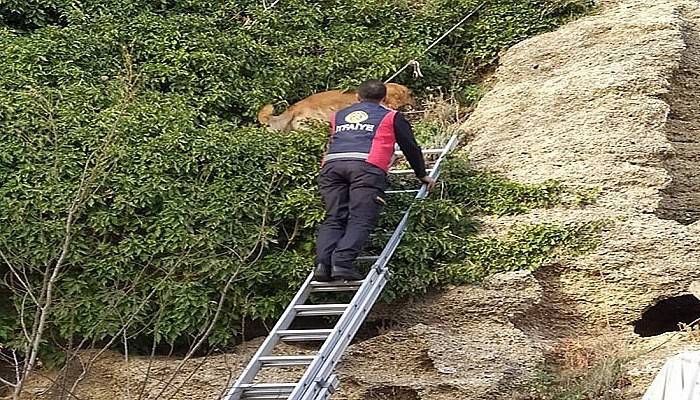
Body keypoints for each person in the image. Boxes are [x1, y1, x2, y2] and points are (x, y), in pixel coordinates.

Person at [313, 80, 435, 282]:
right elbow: (410, 147)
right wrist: (421, 174)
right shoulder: (391, 116)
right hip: (366, 167)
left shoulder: (339, 116)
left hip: (332, 166)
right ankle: (342, 263)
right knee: (361, 217)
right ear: (384, 98)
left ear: (358, 97)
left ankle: (322, 265)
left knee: (334, 217)